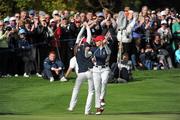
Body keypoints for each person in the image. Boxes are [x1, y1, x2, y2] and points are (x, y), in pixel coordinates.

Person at [68, 23, 94, 115]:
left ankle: (71, 107)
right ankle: (87, 111)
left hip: (80, 73)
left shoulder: (76, 48)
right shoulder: (86, 47)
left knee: (76, 89)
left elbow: (79, 36)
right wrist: (87, 27)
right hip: (89, 72)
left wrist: (83, 27)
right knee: (90, 92)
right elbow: (89, 36)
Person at [85, 35, 111, 115]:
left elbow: (108, 53)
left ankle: (102, 98)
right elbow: (87, 55)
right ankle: (98, 108)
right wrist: (86, 51)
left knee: (104, 82)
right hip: (96, 69)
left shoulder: (106, 48)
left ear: (101, 41)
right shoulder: (94, 49)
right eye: (95, 41)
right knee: (97, 89)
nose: (95, 42)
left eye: (97, 41)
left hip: (105, 69)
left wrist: (105, 44)